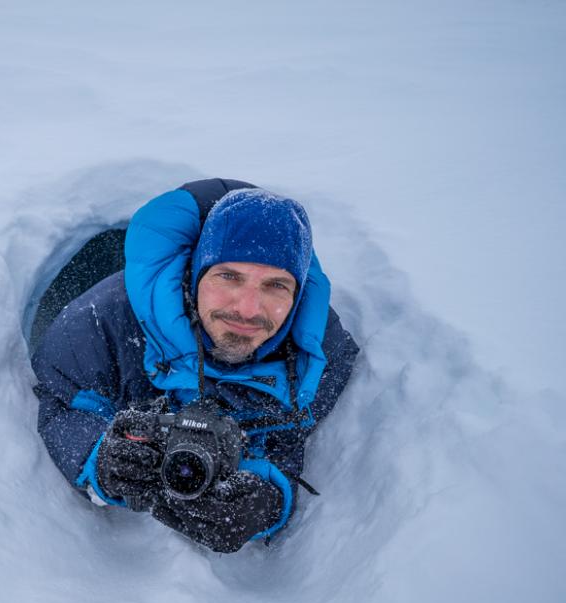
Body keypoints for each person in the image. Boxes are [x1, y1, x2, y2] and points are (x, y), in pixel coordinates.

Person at [30, 178, 359, 553]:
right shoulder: (98, 323)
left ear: (298, 294)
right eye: (229, 277)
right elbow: (58, 402)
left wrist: (267, 501)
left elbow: (289, 438)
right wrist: (99, 456)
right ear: (195, 274)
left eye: (275, 286)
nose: (248, 309)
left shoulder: (318, 359)